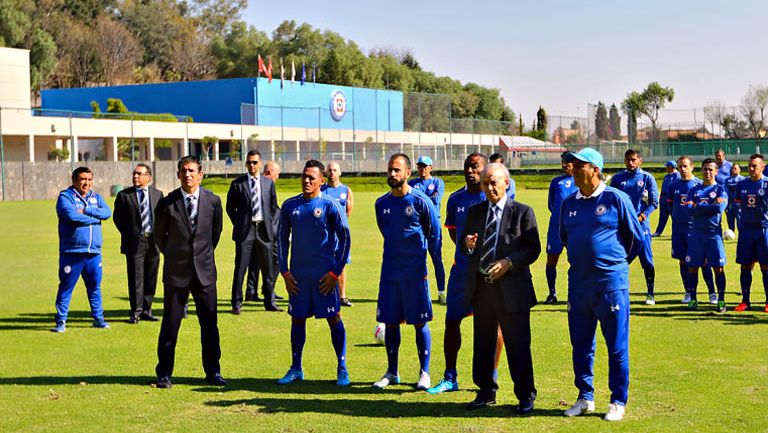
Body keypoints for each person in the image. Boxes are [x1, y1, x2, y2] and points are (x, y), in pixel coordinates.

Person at [559, 148, 644, 422]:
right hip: (579, 285)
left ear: (595, 169)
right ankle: (585, 397)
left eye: (579, 165)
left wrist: (613, 265)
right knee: (581, 344)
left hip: (610, 285)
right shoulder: (568, 203)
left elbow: (636, 240)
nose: (573, 169)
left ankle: (618, 400)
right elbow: (565, 238)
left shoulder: (616, 199)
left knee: (616, 346)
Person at [461, 162, 540, 415]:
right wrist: (468, 244)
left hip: (512, 290)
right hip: (483, 289)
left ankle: (526, 396)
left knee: (518, 345)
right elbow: (465, 248)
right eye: (485, 183)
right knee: (483, 344)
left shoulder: (522, 212)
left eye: (493, 182)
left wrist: (509, 262)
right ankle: (485, 391)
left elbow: (532, 248)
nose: (489, 187)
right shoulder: (475, 212)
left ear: (506, 182)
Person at [427, 153, 505, 395]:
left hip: (489, 274)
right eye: (467, 167)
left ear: (485, 170)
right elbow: (454, 233)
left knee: (494, 325)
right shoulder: (456, 199)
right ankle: (450, 377)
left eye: (475, 167)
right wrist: (466, 247)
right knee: (452, 321)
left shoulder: (494, 196)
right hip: (461, 271)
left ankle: (490, 375)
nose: (470, 171)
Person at [275, 160, 352, 386]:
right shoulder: (290, 206)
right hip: (298, 278)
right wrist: (285, 272)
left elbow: (345, 239)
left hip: (324, 279)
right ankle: (296, 368)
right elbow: (281, 240)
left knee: (333, 318)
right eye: (304, 176)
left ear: (321, 180)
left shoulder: (330, 205)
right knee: (297, 319)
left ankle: (342, 367)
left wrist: (335, 272)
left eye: (312, 178)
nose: (307, 181)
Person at [154, 156, 225, 389]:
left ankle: (213, 371)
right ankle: (164, 373)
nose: (188, 175)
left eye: (192, 171)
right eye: (183, 171)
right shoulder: (167, 203)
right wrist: (177, 256)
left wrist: (199, 256)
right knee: (171, 325)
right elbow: (159, 238)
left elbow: (214, 234)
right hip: (176, 274)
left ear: (200, 174)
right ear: (178, 175)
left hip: (204, 273)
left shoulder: (213, 201)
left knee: (209, 325)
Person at [373, 153, 441, 390]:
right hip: (390, 271)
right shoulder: (381, 204)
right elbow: (386, 231)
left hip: (415, 272)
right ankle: (392, 372)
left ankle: (425, 372)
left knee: (419, 322)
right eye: (390, 170)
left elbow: (434, 233)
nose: (392, 174)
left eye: (397, 170)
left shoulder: (421, 201)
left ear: (408, 173)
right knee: (390, 322)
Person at [52, 167, 112, 333]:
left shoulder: (96, 197)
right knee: (66, 286)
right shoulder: (66, 197)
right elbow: (72, 216)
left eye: (89, 179)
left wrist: (87, 210)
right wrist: (95, 218)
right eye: (83, 179)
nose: (86, 183)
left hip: (93, 252)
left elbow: (107, 213)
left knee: (95, 286)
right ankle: (61, 320)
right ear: (74, 180)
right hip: (72, 252)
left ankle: (98, 318)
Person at [226, 150, 281, 314]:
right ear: (246, 164)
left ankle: (269, 302)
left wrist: (268, 223)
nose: (252, 165)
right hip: (245, 232)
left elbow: (273, 206)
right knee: (240, 269)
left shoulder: (268, 183)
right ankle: (236, 303)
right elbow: (230, 208)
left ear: (260, 163)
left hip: (264, 231)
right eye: (249, 162)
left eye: (255, 162)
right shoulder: (238, 184)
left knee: (268, 269)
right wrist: (240, 222)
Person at [113, 163, 164, 324]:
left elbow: (162, 216)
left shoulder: (158, 194)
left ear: (148, 177)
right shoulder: (124, 195)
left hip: (154, 241)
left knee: (151, 276)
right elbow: (118, 218)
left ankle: (147, 310)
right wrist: (130, 234)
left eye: (139, 174)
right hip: (135, 242)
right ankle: (135, 311)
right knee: (135, 277)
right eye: (134, 174)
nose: (135, 176)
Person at [610, 149, 659, 304]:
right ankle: (617, 291)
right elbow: (612, 201)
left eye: (633, 160)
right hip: (622, 226)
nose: (630, 163)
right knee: (620, 259)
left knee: (647, 260)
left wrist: (641, 217)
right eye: (628, 160)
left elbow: (653, 203)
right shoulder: (618, 179)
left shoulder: (647, 178)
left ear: (640, 161)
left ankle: (650, 292)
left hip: (641, 226)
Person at [669, 156, 717, 304]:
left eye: (685, 166)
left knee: (703, 261)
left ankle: (712, 293)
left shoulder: (698, 185)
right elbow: (670, 207)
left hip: (695, 229)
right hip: (678, 229)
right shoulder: (673, 186)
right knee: (683, 261)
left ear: (692, 167)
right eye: (680, 167)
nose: (682, 169)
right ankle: (688, 292)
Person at [683, 158, 728, 312]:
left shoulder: (721, 189)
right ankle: (693, 300)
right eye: (705, 169)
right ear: (701, 170)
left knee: (718, 268)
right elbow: (689, 210)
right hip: (696, 235)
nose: (708, 172)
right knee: (692, 267)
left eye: (711, 169)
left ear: (716, 171)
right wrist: (710, 205)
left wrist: (699, 206)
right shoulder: (693, 190)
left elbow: (719, 208)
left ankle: (721, 301)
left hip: (713, 235)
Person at [408, 155, 446, 303]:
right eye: (420, 166)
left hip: (434, 225)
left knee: (437, 259)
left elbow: (436, 199)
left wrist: (420, 198)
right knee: (418, 260)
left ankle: (442, 292)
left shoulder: (437, 182)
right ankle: (422, 293)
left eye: (425, 166)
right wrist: (425, 198)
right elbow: (410, 201)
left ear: (431, 167)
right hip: (418, 226)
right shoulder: (412, 183)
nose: (422, 169)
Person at [733, 154, 768, 313]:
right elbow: (738, 205)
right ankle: (745, 301)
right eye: (749, 166)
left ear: (762, 167)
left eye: (755, 166)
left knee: (765, 266)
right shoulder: (742, 185)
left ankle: (767, 302)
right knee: (745, 266)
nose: (751, 169)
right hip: (746, 231)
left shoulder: (766, 184)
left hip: (763, 230)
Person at [544, 152, 578, 304]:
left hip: (574, 227)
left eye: (568, 162)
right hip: (555, 227)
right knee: (551, 260)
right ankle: (552, 293)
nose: (565, 165)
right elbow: (551, 204)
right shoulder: (556, 182)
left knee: (576, 261)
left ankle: (575, 294)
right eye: (563, 162)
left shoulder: (579, 181)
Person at [246, 160, 282, 301]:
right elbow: (270, 211)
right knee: (278, 258)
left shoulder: (258, 183)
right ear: (270, 172)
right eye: (277, 174)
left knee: (255, 261)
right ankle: (268, 289)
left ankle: (251, 291)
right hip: (268, 232)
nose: (277, 178)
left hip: (254, 230)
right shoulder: (265, 184)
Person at [321, 161, 355, 307]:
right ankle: (325, 294)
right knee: (324, 264)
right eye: (330, 170)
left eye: (335, 170)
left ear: (340, 172)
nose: (332, 172)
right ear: (326, 173)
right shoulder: (322, 190)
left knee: (341, 265)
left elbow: (348, 212)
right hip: (325, 235)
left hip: (340, 235)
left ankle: (342, 296)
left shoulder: (346, 190)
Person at [652, 160, 680, 237]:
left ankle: (676, 232)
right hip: (664, 199)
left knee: (674, 216)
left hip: (671, 199)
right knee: (662, 216)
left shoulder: (677, 176)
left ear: (671, 167)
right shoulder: (667, 176)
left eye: (667, 167)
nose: (666, 168)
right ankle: (658, 232)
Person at [725, 163, 746, 233]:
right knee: (730, 219)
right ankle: (731, 234)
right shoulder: (727, 180)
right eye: (732, 168)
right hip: (730, 203)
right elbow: (725, 191)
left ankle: (742, 234)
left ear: (739, 170)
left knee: (740, 220)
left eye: (735, 168)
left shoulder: (743, 179)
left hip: (739, 203)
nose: (733, 170)